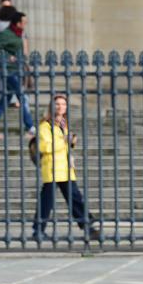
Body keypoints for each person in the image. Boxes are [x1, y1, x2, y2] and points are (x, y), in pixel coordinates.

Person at [33, 93, 99, 241]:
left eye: (63, 104)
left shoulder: (62, 123)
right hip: (52, 168)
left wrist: (71, 142)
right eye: (57, 104)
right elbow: (44, 147)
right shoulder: (45, 125)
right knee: (47, 201)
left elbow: (65, 144)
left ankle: (88, 226)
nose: (61, 107)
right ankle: (38, 230)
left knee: (75, 197)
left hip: (65, 168)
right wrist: (64, 140)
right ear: (51, 106)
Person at [0, 11, 35, 139]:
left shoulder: (18, 35)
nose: (26, 24)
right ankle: (30, 127)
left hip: (16, 69)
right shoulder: (6, 34)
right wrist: (7, 57)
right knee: (22, 97)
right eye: (24, 22)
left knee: (5, 100)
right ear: (18, 23)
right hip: (8, 71)